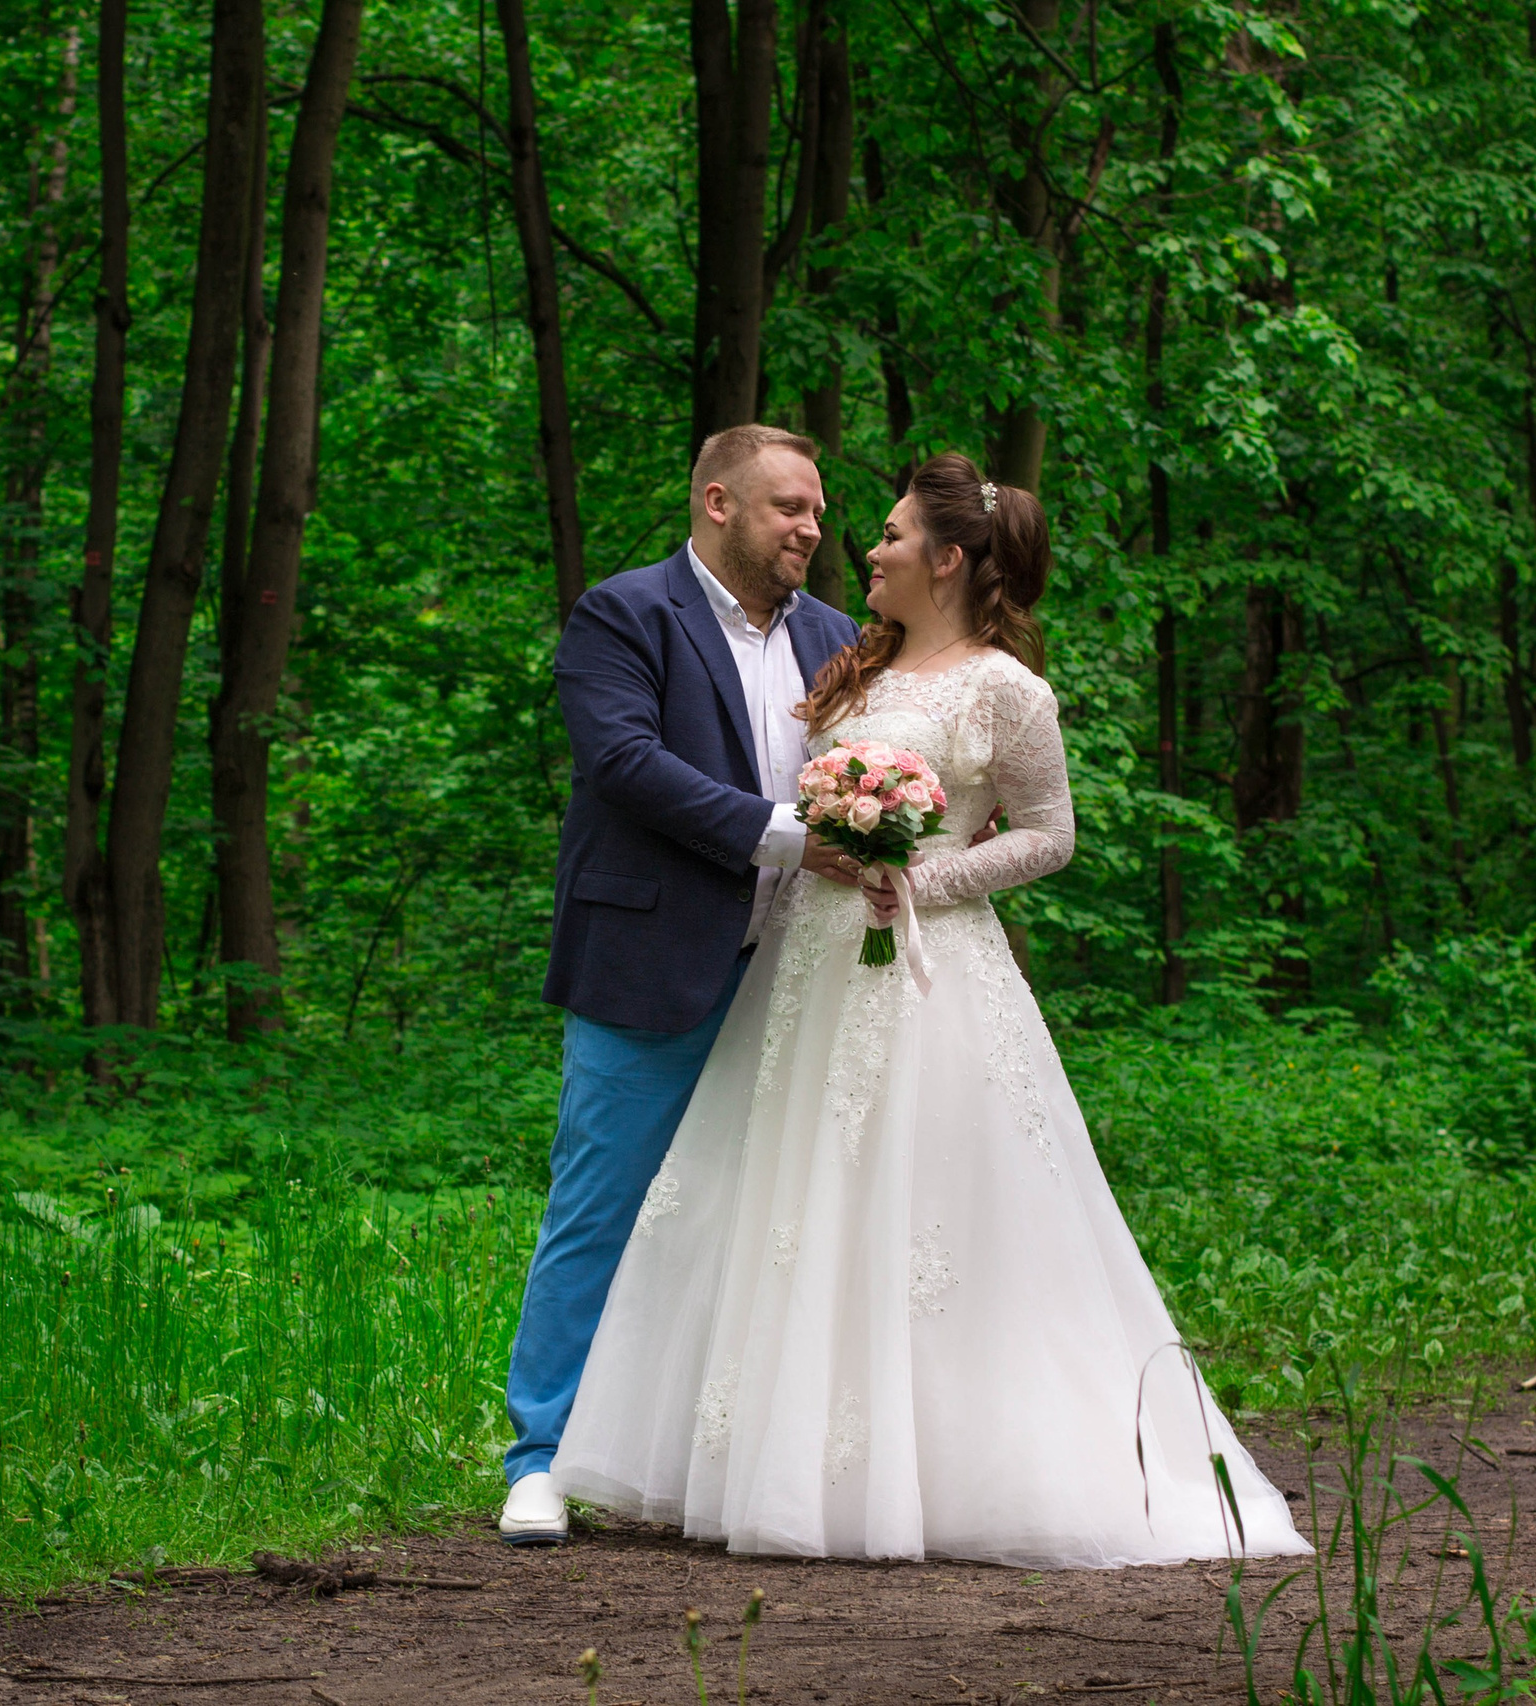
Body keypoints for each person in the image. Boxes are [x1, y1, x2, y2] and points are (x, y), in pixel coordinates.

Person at [546, 453, 1312, 1566]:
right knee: (779, 1201)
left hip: (929, 969)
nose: (864, 544)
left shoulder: (1008, 688)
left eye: (892, 534)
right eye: (835, 520)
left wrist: (923, 877)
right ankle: (763, 1456)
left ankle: (949, 1461)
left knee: (937, 1212)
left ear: (948, 559)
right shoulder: (854, 663)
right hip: (804, 967)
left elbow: (1050, 834)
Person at [499, 424, 864, 1545]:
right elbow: (622, 761)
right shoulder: (623, 614)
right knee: (598, 1206)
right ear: (717, 503)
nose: (810, 528)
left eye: (814, 510)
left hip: (796, 973)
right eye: (787, 508)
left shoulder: (841, 636)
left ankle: (708, 1454)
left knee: (767, 1219)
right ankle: (539, 1454)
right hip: (649, 961)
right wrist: (788, 834)